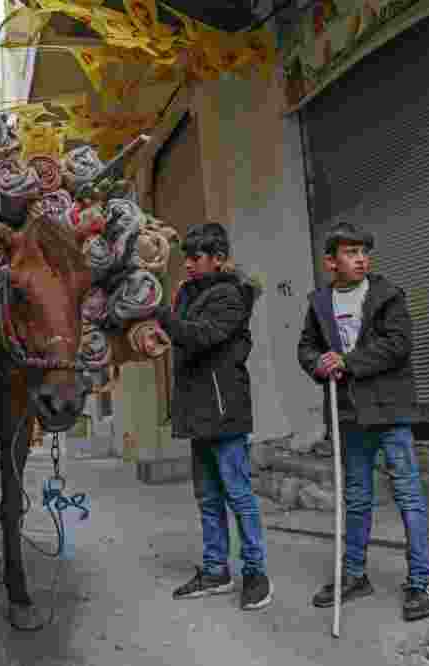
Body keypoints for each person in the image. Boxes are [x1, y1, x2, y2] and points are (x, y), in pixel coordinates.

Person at [298, 222, 429, 622]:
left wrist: (348, 361)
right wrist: (319, 363)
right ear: (330, 262)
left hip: (390, 409)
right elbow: (306, 346)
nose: (361, 258)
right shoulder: (320, 302)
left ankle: (421, 580)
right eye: (351, 252)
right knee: (357, 498)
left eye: (364, 251)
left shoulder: (387, 295)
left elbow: (398, 344)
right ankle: (354, 575)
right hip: (350, 413)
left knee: (409, 495)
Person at [155, 222, 272, 611]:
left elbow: (200, 336)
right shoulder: (188, 294)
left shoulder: (231, 296)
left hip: (223, 412)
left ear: (218, 259)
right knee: (207, 497)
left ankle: (256, 573)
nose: (187, 264)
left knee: (239, 495)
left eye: (196, 258)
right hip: (196, 411)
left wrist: (159, 314)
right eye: (185, 257)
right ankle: (215, 570)